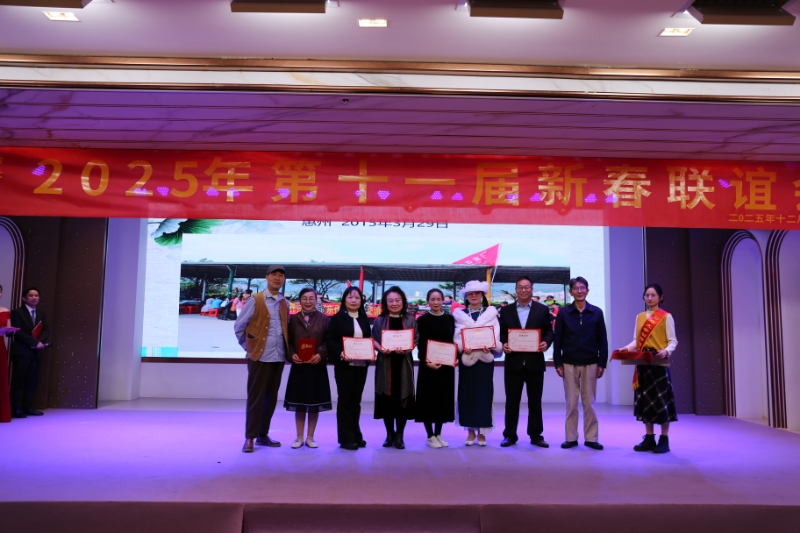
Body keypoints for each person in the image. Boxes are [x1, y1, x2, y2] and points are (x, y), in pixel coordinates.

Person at [616, 283, 678, 454]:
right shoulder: (640, 317)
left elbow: (673, 341)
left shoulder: (666, 317)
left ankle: (664, 439)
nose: (649, 298)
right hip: (643, 363)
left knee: (661, 401)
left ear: (660, 297)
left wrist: (666, 351)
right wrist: (626, 348)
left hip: (659, 363)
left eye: (653, 295)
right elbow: (637, 341)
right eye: (647, 295)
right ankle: (649, 438)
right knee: (646, 400)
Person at [235, 266, 290, 453]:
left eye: (280, 275)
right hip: (259, 357)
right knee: (255, 398)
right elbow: (239, 326)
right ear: (267, 277)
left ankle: (262, 434)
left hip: (278, 356)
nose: (277, 278)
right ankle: (249, 437)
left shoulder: (284, 302)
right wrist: (249, 348)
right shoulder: (256, 300)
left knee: (270, 398)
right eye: (274, 275)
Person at [552, 277, 608, 451]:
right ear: (571, 292)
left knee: (589, 402)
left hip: (591, 362)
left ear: (587, 291)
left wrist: (602, 363)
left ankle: (591, 438)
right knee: (571, 402)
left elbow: (603, 340)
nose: (579, 291)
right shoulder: (564, 313)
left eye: (582, 288)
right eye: (575, 288)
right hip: (569, 363)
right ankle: (571, 438)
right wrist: (558, 363)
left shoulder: (596, 312)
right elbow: (557, 339)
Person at [498, 276, 554, 448]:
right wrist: (504, 343)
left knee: (535, 402)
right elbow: (501, 333)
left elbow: (549, 332)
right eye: (520, 287)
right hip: (513, 362)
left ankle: (536, 435)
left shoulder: (542, 309)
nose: (523, 290)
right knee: (511, 402)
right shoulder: (506, 311)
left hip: (534, 362)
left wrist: (546, 342)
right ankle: (510, 435)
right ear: (516, 290)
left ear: (532, 289)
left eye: (527, 287)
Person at [453, 280, 502, 446]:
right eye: (470, 293)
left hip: (485, 361)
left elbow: (496, 336)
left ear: (482, 295)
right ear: (466, 296)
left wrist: (491, 346)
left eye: (477, 293)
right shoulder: (459, 315)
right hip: (467, 361)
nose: (474, 296)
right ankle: (470, 431)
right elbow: (456, 338)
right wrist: (462, 348)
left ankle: (482, 432)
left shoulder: (491, 314)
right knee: (467, 395)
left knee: (484, 395)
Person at [325, 286, 371, 451]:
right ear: (344, 300)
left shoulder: (364, 319)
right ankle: (346, 438)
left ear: (361, 301)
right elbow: (329, 339)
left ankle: (356, 433)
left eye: (357, 298)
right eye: (350, 297)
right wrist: (342, 352)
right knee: (345, 401)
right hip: (344, 365)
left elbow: (368, 340)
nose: (353, 300)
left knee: (355, 401)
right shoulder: (337, 319)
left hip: (361, 366)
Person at [284, 288, 332, 449]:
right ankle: (299, 437)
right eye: (304, 298)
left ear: (316, 300)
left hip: (316, 366)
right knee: (299, 404)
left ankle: (310, 437)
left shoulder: (324, 319)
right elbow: (289, 342)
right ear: (299, 301)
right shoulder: (292, 320)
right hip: (299, 367)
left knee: (314, 404)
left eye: (311, 298)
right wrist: (292, 355)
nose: (308, 301)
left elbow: (328, 341)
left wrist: (320, 354)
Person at [372, 286, 418, 450]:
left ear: (403, 301)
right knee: (387, 399)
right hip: (385, 363)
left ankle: (400, 435)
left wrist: (409, 348)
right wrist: (380, 348)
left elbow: (415, 338)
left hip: (403, 363)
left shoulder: (410, 320)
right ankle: (389, 434)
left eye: (397, 300)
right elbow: (373, 338)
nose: (394, 303)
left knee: (402, 399)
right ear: (385, 303)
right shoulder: (380, 320)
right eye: (390, 300)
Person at [414, 288, 456, 448]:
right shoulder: (422, 320)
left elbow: (453, 341)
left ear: (443, 300)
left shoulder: (450, 319)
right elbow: (421, 345)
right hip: (428, 366)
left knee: (442, 399)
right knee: (428, 400)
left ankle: (438, 433)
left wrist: (455, 358)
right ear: (428, 301)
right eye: (433, 299)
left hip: (446, 366)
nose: (436, 302)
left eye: (439, 299)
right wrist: (426, 362)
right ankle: (430, 435)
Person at [9, 287, 50, 419]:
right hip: (22, 352)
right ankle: (16, 409)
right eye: (31, 295)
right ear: (24, 298)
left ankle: (28, 407)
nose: (34, 298)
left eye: (36, 295)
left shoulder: (41, 313)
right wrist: (33, 342)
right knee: (19, 381)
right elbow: (17, 332)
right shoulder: (17, 312)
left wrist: (39, 342)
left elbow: (46, 330)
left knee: (32, 381)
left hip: (36, 352)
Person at [0, 284, 18, 423]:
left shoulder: (5, 311)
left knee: (1, 378)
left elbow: (7, 329)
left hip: (0, 347)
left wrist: (10, 331)